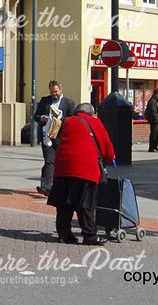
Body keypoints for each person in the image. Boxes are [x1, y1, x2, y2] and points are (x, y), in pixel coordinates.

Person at [47, 102, 115, 246]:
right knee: (86, 204)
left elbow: (54, 140)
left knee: (64, 204)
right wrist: (110, 157)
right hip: (85, 168)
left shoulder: (66, 121)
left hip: (63, 168)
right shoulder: (94, 122)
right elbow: (106, 145)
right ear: (91, 113)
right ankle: (89, 235)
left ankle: (64, 235)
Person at [33, 80, 76, 195]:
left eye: (56, 92)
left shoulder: (69, 103)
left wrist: (61, 120)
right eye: (52, 92)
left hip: (62, 137)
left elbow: (73, 119)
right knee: (49, 161)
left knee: (60, 162)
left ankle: (59, 186)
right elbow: (36, 116)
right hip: (47, 136)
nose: (54, 94)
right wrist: (43, 117)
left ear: (61, 90)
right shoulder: (44, 101)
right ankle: (46, 187)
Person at [144, 88, 158, 152]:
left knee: (155, 133)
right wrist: (156, 118)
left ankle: (154, 147)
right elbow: (154, 111)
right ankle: (152, 147)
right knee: (154, 134)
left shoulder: (153, 100)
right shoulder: (153, 101)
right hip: (153, 120)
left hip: (153, 119)